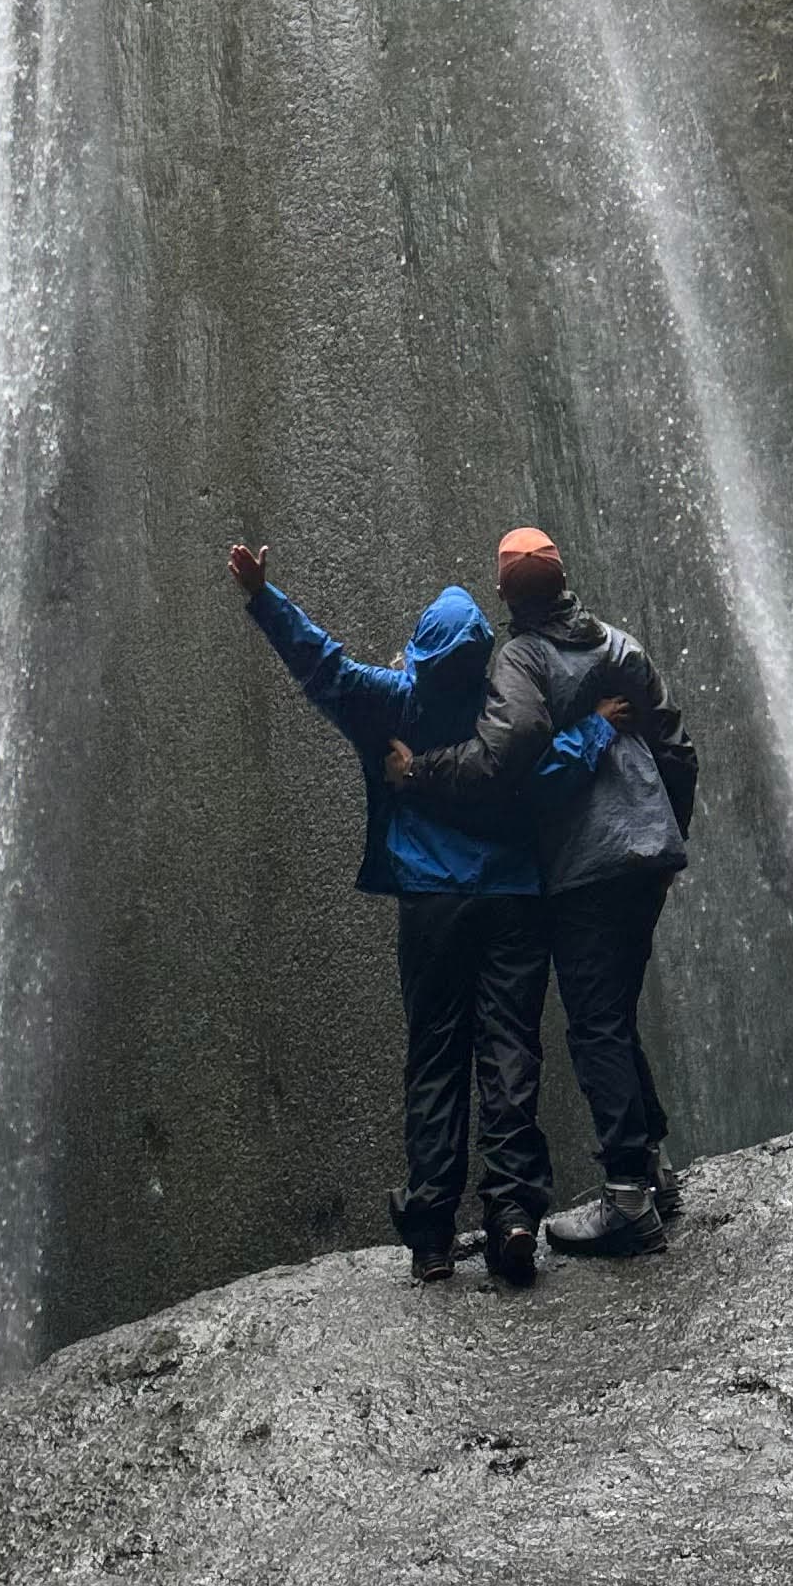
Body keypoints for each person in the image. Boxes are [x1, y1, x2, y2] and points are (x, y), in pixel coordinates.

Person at [226, 542, 578, 1289]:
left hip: (433, 904)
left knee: (436, 1056)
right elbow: (558, 753)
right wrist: (607, 725)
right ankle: (515, 1213)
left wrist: (263, 595)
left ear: (421, 643)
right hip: (516, 899)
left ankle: (431, 1235)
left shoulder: (388, 700)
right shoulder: (505, 703)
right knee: (511, 1049)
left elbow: (320, 664)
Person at [387, 526, 696, 1261]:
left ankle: (628, 1199)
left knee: (592, 1024)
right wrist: (661, 835)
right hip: (647, 853)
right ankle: (653, 1172)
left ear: (505, 595)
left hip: (586, 866)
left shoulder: (520, 661)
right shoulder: (621, 646)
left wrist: (422, 772)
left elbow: (510, 765)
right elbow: (678, 749)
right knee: (613, 1013)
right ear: (564, 580)